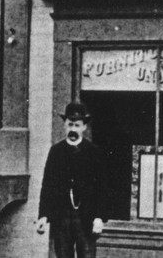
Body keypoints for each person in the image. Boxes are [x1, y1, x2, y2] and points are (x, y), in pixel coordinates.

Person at [37, 102, 108, 258]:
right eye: (70, 125)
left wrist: (99, 217)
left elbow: (102, 186)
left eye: (77, 125)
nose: (73, 129)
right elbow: (47, 184)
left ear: (84, 127)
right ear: (65, 125)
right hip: (61, 217)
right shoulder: (56, 151)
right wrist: (43, 215)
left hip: (86, 217)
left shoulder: (93, 152)